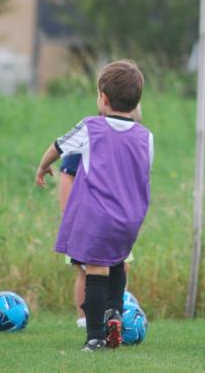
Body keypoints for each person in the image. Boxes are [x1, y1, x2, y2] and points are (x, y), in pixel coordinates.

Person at [36, 60, 153, 352]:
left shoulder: (92, 127)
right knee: (118, 264)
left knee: (95, 272)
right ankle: (115, 312)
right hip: (131, 218)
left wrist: (42, 167)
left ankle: (95, 337)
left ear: (103, 97)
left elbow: (59, 146)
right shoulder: (146, 136)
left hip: (98, 216)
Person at [58, 104, 142, 329]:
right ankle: (85, 319)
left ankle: (111, 314)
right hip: (86, 220)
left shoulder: (127, 142)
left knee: (119, 267)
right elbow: (67, 176)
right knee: (87, 272)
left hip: (115, 220)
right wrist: (69, 216)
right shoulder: (88, 136)